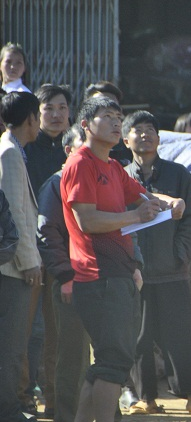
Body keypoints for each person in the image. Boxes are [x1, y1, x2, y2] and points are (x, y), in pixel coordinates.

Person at [60, 96, 185, 422]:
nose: (117, 122)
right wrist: (134, 216)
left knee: (106, 362)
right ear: (85, 125)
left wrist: (169, 201)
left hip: (119, 274)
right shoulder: (80, 163)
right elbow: (88, 221)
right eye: (107, 116)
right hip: (98, 277)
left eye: (119, 116)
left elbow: (144, 197)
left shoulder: (113, 167)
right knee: (114, 363)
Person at [122, 111, 191, 416]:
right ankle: (146, 398)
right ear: (125, 140)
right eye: (137, 130)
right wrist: (128, 262)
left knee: (181, 336)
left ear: (159, 139)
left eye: (151, 130)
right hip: (136, 273)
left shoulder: (178, 174)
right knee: (140, 338)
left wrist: (180, 255)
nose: (145, 135)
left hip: (173, 271)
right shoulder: (121, 178)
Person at [18, 83, 71, 418]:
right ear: (36, 115)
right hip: (27, 252)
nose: (55, 114)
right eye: (48, 108)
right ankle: (23, 397)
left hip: (64, 254)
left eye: (62, 107)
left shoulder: (74, 153)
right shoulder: (25, 150)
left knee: (59, 332)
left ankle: (55, 399)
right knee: (23, 330)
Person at [36, 124, 91, 422]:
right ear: (69, 150)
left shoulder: (98, 178)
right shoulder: (56, 184)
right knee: (68, 352)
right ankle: (64, 412)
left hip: (97, 277)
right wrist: (65, 276)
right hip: (70, 279)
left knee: (98, 353)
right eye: (85, 143)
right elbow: (46, 234)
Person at [0, 91, 42, 422]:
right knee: (11, 348)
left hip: (13, 266)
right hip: (12, 269)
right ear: (31, 118)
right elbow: (15, 213)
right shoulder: (10, 153)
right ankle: (9, 411)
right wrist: (29, 261)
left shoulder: (13, 149)